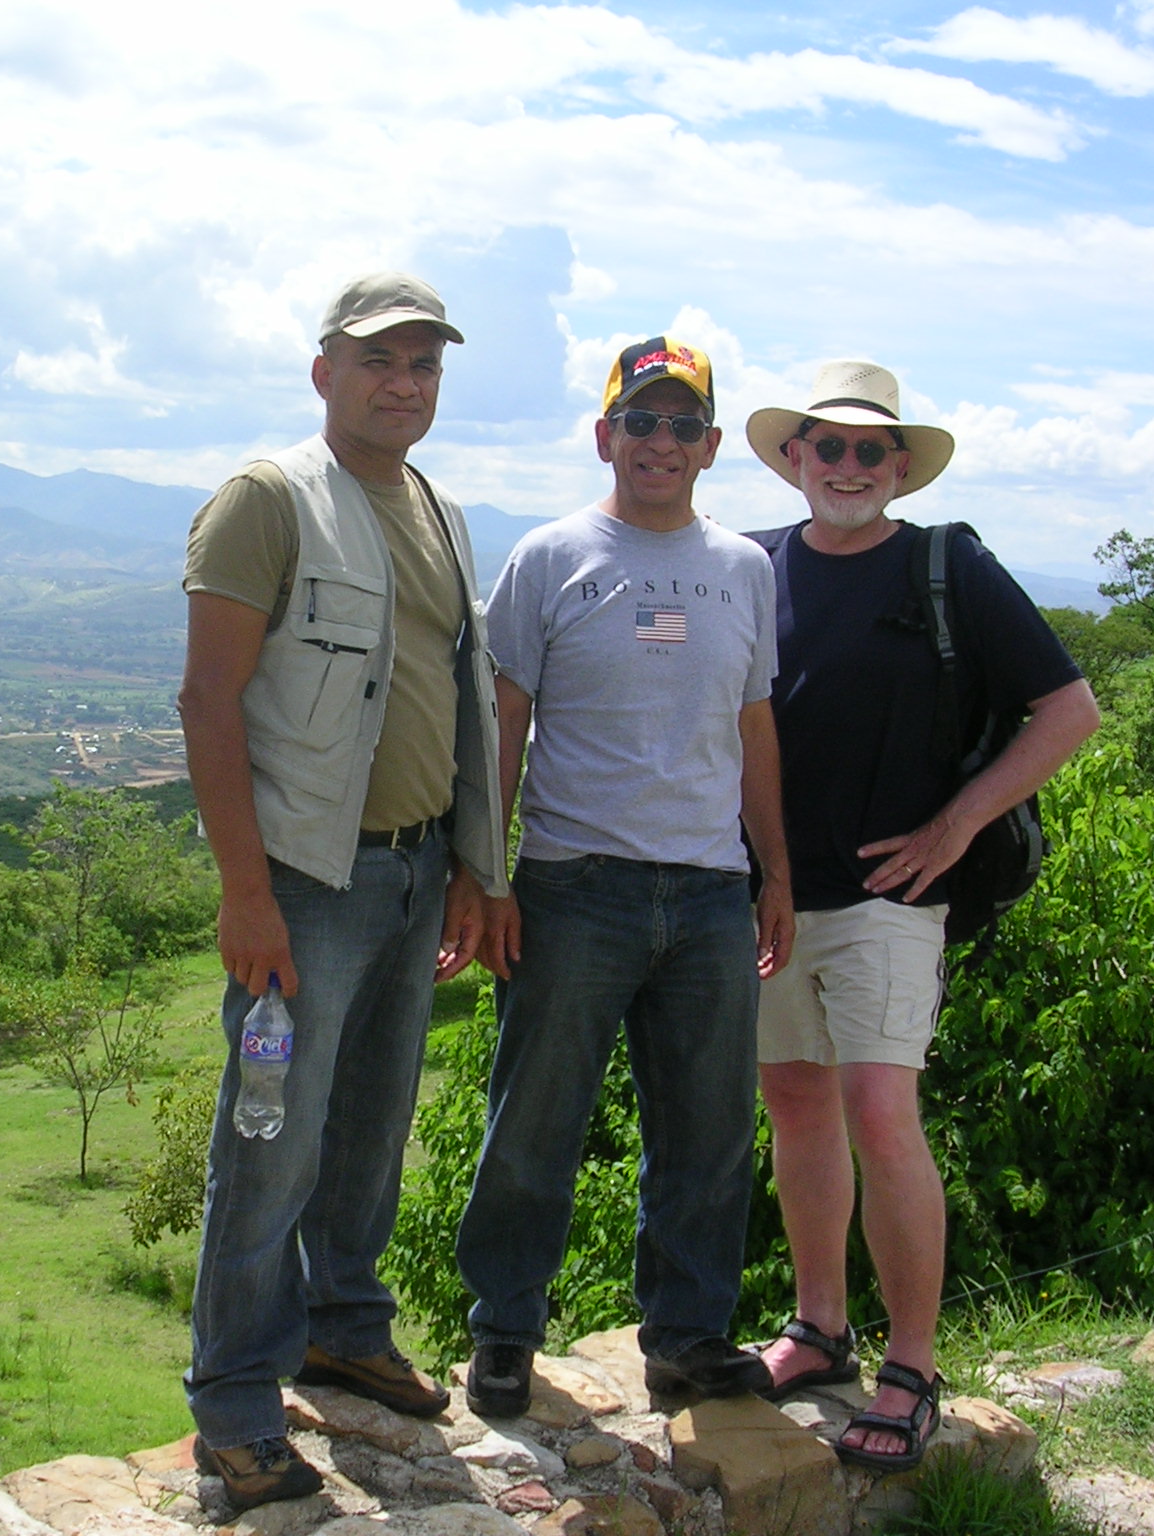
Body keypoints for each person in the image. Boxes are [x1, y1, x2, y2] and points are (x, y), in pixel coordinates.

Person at [176, 272, 509, 1511]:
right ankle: (235, 1402)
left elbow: (456, 693)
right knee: (270, 1136)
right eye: (380, 360)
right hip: (308, 882)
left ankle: (345, 1325)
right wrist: (243, 891)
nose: (404, 382)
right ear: (324, 371)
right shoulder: (270, 501)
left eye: (424, 363)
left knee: (371, 1125)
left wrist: (477, 866)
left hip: (419, 869)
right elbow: (209, 703)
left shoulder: (437, 508)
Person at [743, 361, 1100, 1471]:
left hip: (894, 900)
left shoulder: (945, 566)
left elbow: (1068, 709)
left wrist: (955, 827)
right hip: (772, 901)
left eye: (867, 450)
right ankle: (818, 1326)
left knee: (880, 1114)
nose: (844, 465)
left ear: (896, 467)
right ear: (794, 457)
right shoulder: (751, 567)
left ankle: (909, 1366)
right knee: (796, 1107)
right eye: (825, 445)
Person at [454, 337, 794, 1418]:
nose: (659, 441)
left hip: (705, 892)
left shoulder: (742, 567)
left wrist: (772, 869)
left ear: (706, 449)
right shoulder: (550, 558)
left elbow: (752, 727)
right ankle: (504, 1332)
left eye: (681, 424)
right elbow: (501, 721)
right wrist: (488, 873)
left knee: (704, 1134)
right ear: (604, 436)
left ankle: (687, 1337)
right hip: (572, 882)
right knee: (534, 1123)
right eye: (639, 422)